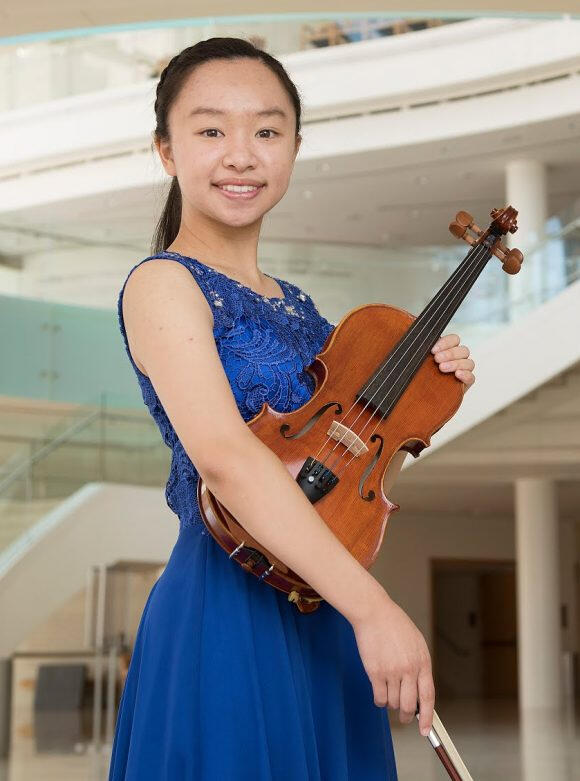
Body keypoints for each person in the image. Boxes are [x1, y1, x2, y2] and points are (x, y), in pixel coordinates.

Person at [108, 36, 476, 781]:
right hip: (227, 605)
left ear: (295, 149)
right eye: (212, 130)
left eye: (268, 132)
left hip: (322, 600)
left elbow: (350, 484)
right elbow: (227, 459)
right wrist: (372, 608)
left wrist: (420, 400)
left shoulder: (301, 306)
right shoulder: (163, 283)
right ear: (166, 151)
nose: (242, 155)